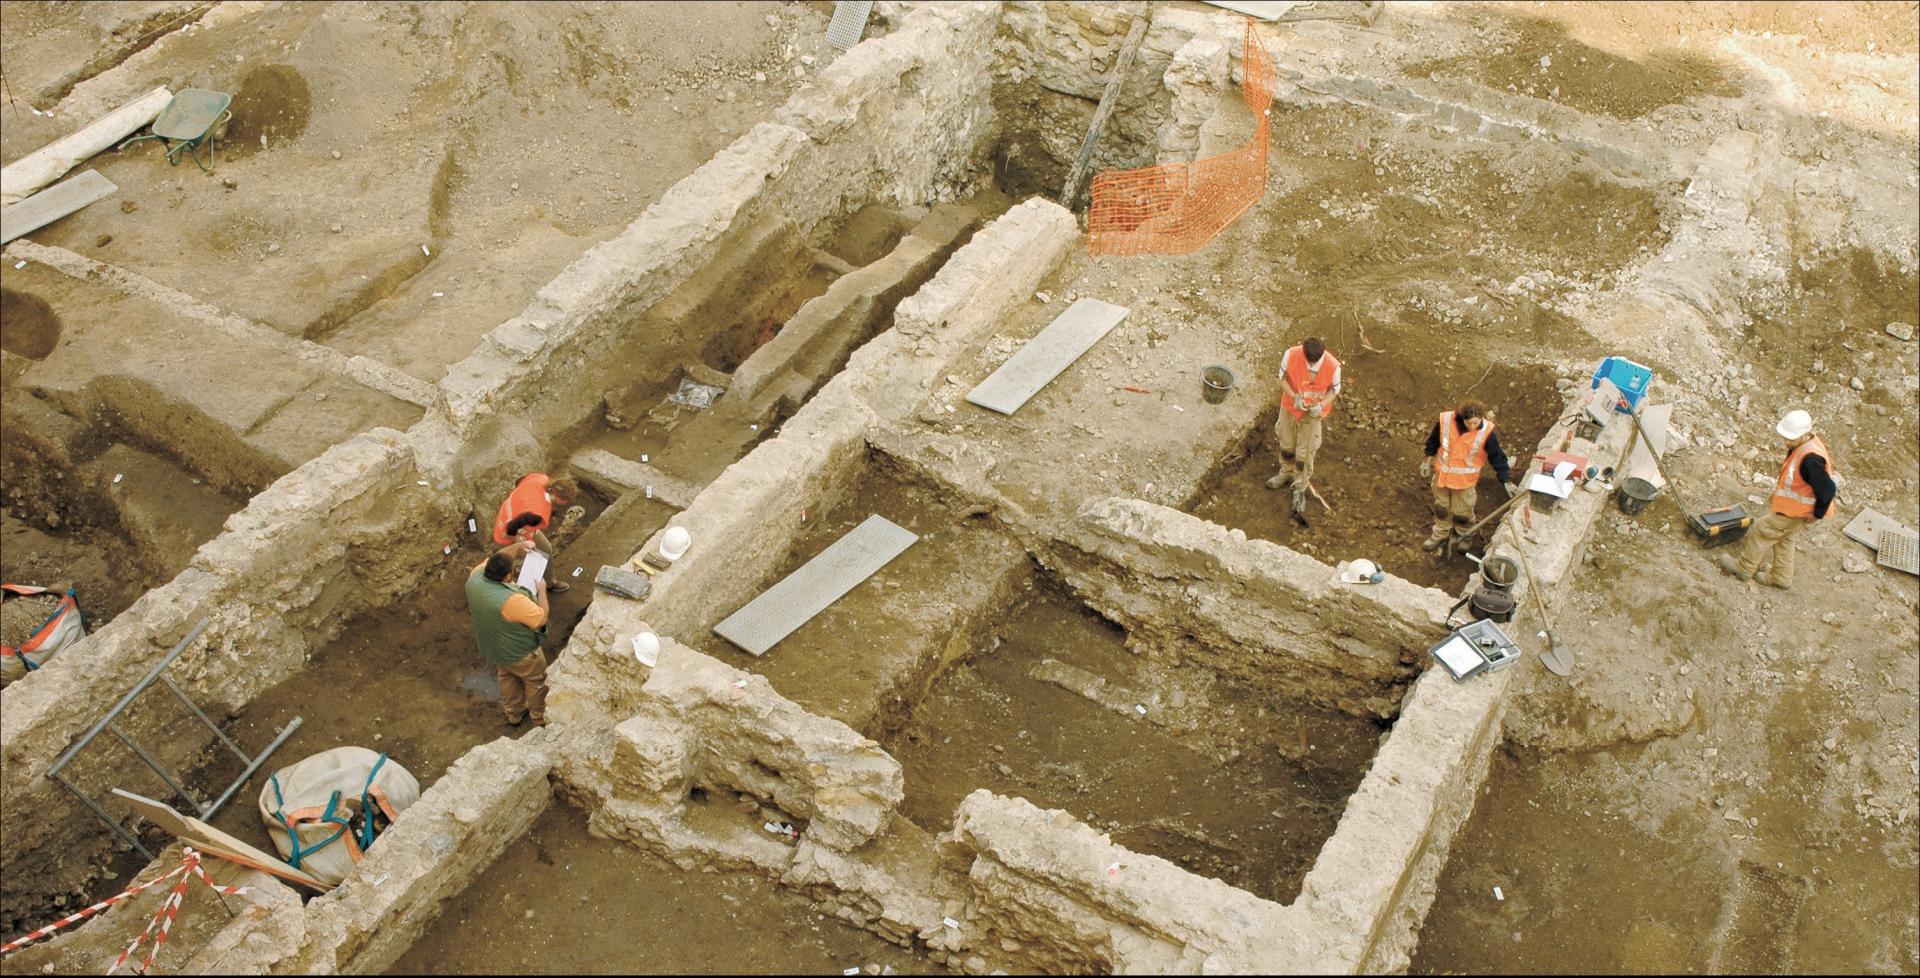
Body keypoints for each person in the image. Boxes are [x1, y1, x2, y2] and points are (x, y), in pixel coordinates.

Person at [1718, 409, 1837, 589]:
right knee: (1785, 540)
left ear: (1805, 435)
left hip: (1795, 511)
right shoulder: (1807, 445)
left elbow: (1828, 489)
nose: (1786, 442)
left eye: (1791, 438)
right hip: (1798, 511)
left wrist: (1817, 514)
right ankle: (1781, 577)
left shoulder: (1811, 460)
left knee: (1761, 530)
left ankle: (1743, 568)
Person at [465, 541, 550, 728]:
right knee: (535, 681)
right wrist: (542, 591)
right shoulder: (512, 601)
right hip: (519, 652)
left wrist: (520, 546)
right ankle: (539, 718)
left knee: (507, 676)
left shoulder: (475, 577)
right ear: (507, 577)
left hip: (494, 647)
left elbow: (500, 556)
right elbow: (541, 619)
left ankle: (514, 713)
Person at [1421, 400, 1519, 552]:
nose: (1472, 427)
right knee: (1441, 508)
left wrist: (1506, 480)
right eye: (1469, 423)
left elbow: (1497, 457)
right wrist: (1426, 461)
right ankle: (1440, 533)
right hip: (1442, 478)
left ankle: (1465, 535)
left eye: (1476, 423)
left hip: (1464, 483)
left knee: (1462, 514)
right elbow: (1433, 442)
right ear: (1462, 418)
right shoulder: (1446, 421)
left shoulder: (1486, 432)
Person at [1265, 336, 1342, 514]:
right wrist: (1294, 397)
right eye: (1309, 362)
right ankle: (1285, 472)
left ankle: (1299, 486)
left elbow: (1334, 389)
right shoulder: (1291, 355)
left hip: (1312, 416)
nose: (1311, 366)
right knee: (1287, 445)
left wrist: (1321, 405)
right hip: (1290, 408)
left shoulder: (1333, 366)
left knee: (1305, 454)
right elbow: (1282, 378)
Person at [492, 473, 579, 592]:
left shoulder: (540, 479)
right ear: (559, 498)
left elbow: (519, 481)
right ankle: (520, 590)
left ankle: (549, 582)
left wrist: (523, 503)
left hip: (514, 519)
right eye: (567, 501)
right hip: (509, 530)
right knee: (521, 561)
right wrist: (517, 540)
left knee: (545, 548)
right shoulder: (537, 513)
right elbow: (511, 528)